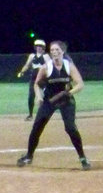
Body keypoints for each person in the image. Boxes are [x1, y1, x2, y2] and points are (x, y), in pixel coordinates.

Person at [16, 40, 90, 170]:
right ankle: (29, 155)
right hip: (49, 100)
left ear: (63, 51)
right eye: (52, 50)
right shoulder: (46, 67)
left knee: (70, 128)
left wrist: (67, 93)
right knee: (37, 126)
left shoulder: (69, 66)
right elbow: (37, 84)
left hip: (66, 100)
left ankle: (82, 157)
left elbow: (80, 84)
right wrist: (38, 97)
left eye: (57, 50)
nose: (54, 52)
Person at [16, 39, 49, 120]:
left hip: (43, 79)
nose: (38, 48)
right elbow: (27, 65)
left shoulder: (46, 56)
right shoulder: (32, 56)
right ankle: (30, 115)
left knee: (46, 96)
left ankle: (45, 113)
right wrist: (22, 72)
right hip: (33, 79)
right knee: (31, 96)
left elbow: (49, 67)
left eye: (40, 46)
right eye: (37, 46)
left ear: (43, 47)